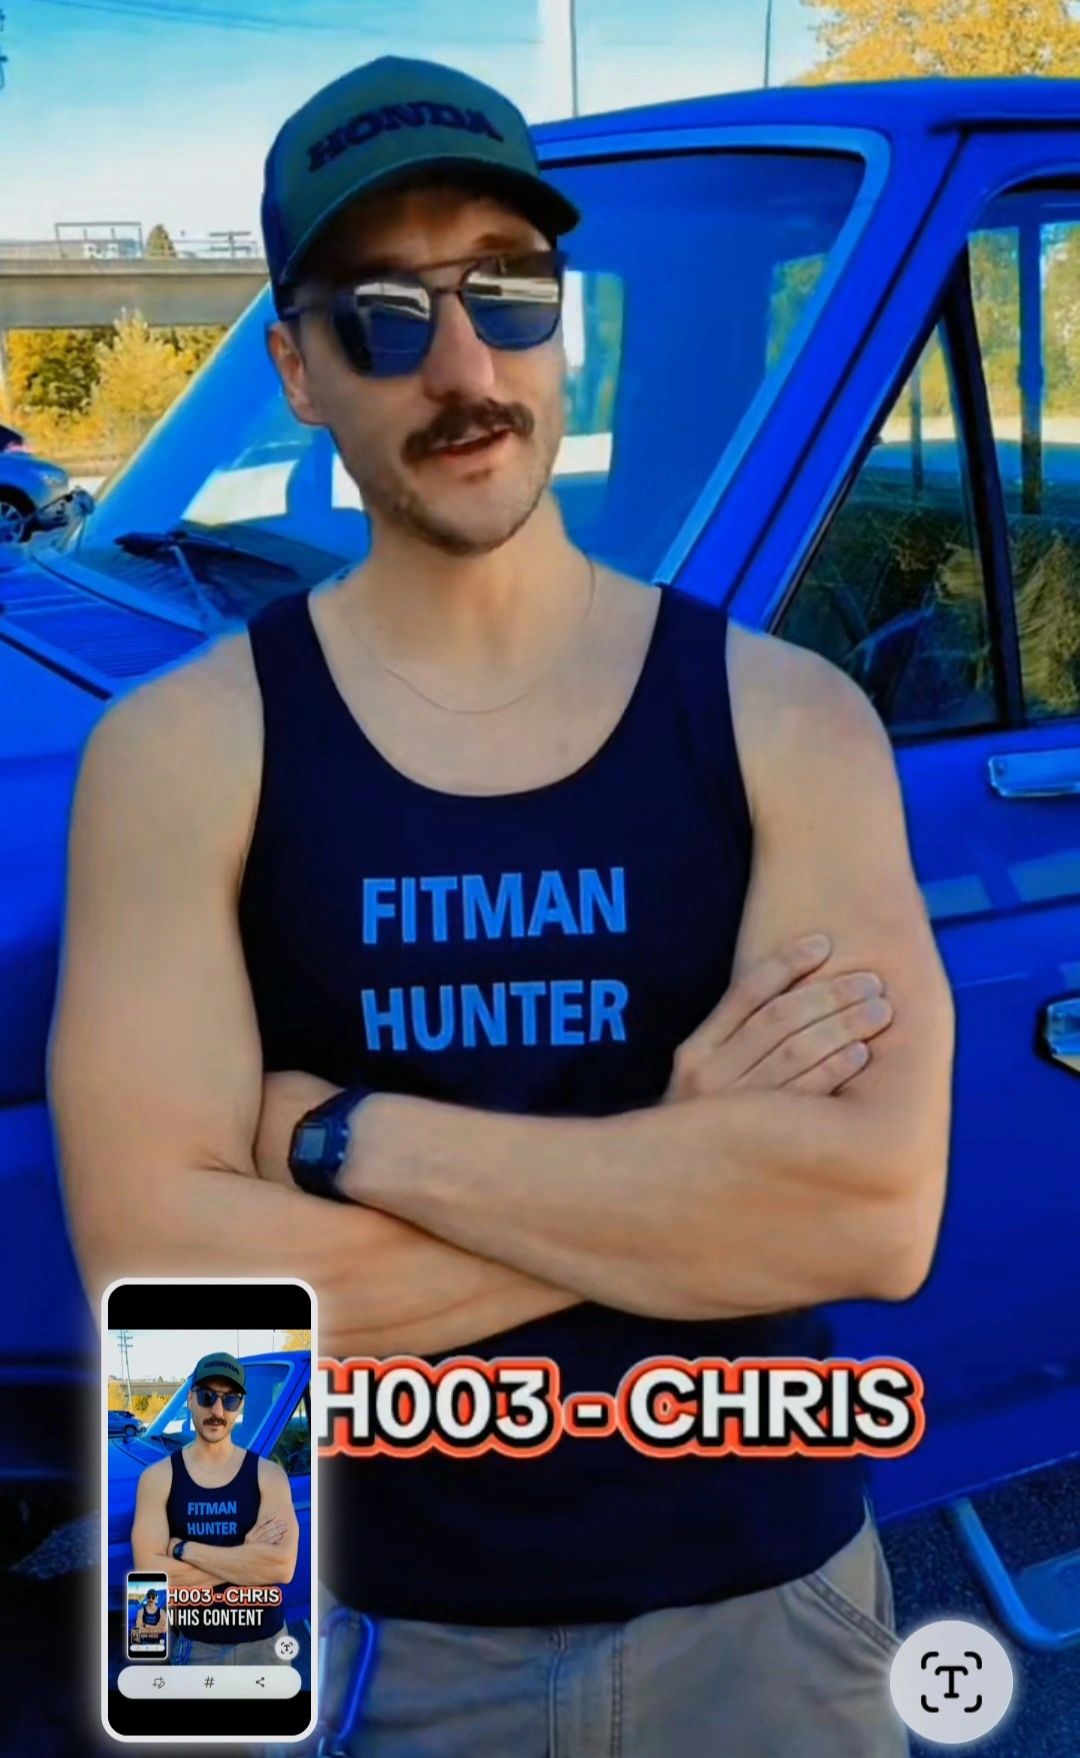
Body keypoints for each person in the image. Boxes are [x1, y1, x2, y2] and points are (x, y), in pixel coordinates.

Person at [50, 54, 954, 1756]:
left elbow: (867, 1220)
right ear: (295, 372)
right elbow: (171, 1297)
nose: (463, 367)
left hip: (758, 1614)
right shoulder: (181, 754)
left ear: (566, 319)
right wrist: (673, 1170)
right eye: (385, 313)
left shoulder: (785, 721)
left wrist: (348, 1137)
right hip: (344, 1621)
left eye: (507, 293)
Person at [129, 1353, 297, 1667]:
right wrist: (244, 1556)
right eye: (207, 1396)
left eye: (230, 1400)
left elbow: (281, 1567)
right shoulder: (157, 1479)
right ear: (190, 1399)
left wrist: (183, 1550)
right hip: (196, 1648)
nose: (217, 1411)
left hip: (266, 1646)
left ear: (241, 1406)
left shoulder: (269, 1476)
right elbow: (150, 1579)